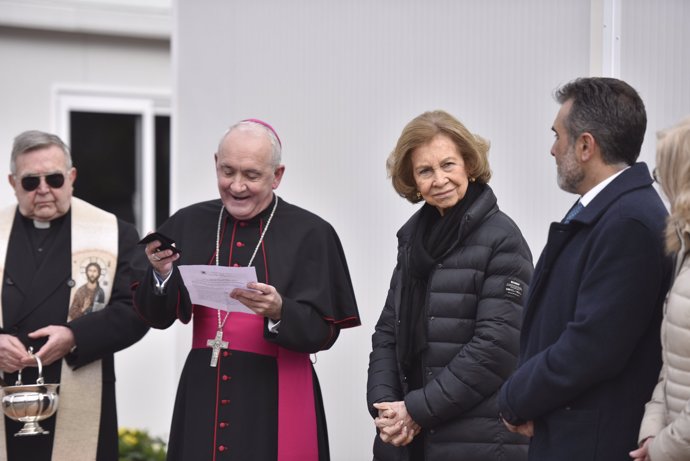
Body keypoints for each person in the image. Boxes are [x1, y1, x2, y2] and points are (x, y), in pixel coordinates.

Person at [132, 118, 361, 461]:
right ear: (215, 164)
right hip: (203, 390)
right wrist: (162, 274)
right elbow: (156, 316)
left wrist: (280, 311)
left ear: (277, 175)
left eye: (251, 175)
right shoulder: (188, 222)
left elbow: (324, 332)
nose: (237, 186)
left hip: (273, 393)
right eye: (227, 172)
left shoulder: (312, 233)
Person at [498, 77, 673, 461]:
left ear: (585, 146)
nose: (552, 149)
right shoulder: (608, 211)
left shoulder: (629, 222)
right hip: (569, 430)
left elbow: (592, 347)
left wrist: (517, 397)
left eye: (557, 135)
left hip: (592, 442)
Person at [366, 110, 534, 460]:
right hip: (409, 439)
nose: (439, 179)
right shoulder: (413, 241)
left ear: (469, 165)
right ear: (412, 181)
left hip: (477, 439)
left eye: (448, 165)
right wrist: (385, 409)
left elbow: (495, 350)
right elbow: (387, 333)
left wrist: (416, 410)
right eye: (425, 171)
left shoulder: (503, 239)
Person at [0, 130, 149, 460]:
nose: (43, 190)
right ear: (12, 183)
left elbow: (137, 310)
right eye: (30, 182)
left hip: (76, 389)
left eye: (54, 179)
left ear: (71, 177)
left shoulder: (113, 233)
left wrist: (74, 335)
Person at [630, 118, 690, 461]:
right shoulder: (683, 249)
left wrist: (663, 447)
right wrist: (651, 430)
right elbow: (671, 361)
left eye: (661, 172)